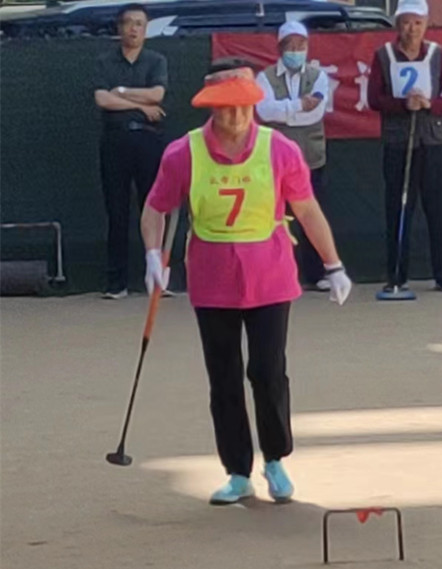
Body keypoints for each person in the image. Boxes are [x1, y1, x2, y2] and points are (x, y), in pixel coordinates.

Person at [140, 57, 352, 505]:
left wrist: (333, 264)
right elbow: (156, 207)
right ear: (211, 107)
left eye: (243, 106)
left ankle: (275, 459)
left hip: (270, 275)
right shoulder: (183, 153)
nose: (236, 116)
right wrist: (153, 255)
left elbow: (306, 209)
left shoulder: (280, 150)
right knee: (224, 377)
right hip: (212, 277)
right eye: (225, 107)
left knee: (268, 371)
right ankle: (237, 471)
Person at [367, 0, 442, 293]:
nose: (412, 29)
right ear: (397, 25)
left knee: (438, 208)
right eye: (406, 22)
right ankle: (397, 275)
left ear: (426, 25)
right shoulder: (383, 56)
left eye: (418, 23)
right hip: (398, 141)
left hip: (432, 140)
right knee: (398, 208)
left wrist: (430, 104)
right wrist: (402, 105)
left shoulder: (438, 55)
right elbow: (374, 98)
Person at [93, 3, 168, 299]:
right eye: (129, 23)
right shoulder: (104, 61)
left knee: (154, 207)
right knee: (117, 211)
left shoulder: (156, 60)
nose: (134, 28)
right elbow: (102, 99)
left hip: (149, 140)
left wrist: (121, 91)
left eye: (139, 23)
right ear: (119, 27)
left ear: (146, 29)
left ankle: (159, 278)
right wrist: (141, 105)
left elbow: (157, 94)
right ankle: (117, 283)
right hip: (115, 141)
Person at [255, 21, 331, 293]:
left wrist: (284, 111)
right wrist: (298, 105)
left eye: (301, 45)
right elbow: (264, 111)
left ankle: (317, 273)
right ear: (280, 48)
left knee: (311, 215)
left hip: (311, 157)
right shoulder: (264, 77)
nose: (296, 50)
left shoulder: (319, 76)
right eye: (291, 45)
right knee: (275, 217)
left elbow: (315, 113)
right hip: (274, 160)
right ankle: (275, 274)